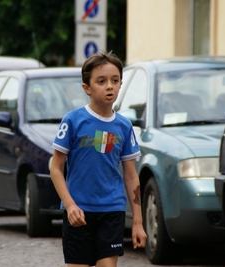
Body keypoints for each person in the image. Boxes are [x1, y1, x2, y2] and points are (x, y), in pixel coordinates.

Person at [50, 51, 147, 267]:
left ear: (121, 84)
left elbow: (131, 176)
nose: (109, 86)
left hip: (111, 211)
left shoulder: (124, 126)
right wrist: (70, 205)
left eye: (115, 80)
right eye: (101, 81)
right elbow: (56, 168)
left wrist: (138, 222)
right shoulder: (73, 120)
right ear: (87, 88)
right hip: (79, 212)